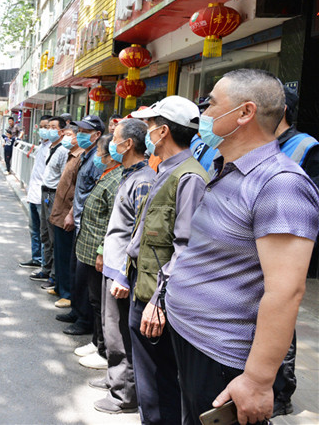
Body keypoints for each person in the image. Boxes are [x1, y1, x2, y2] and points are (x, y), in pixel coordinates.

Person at [166, 70, 319, 425]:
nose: (202, 114)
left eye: (212, 104)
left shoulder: (280, 184)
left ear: (245, 113)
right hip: (191, 337)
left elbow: (285, 292)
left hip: (221, 357)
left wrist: (257, 379)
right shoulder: (228, 169)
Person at [124, 95, 209, 425]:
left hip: (158, 299)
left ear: (161, 132)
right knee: (150, 387)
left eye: (148, 126)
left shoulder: (189, 178)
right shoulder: (166, 170)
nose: (146, 133)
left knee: (160, 388)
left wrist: (159, 299)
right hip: (143, 289)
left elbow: (185, 248)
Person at [92, 118, 154, 414]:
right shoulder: (128, 174)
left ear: (129, 143)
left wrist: (125, 276)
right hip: (114, 266)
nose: (111, 143)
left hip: (123, 272)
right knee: (110, 329)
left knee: (120, 336)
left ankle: (124, 395)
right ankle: (113, 380)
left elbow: (139, 233)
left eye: (115, 138)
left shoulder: (143, 180)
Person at [270, 85, 319, 417]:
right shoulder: (265, 145)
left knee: (281, 318)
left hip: (287, 246)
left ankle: (281, 394)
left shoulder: (307, 147)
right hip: (260, 244)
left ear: (281, 109)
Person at [73, 135, 122, 369]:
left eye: (101, 155)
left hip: (98, 251)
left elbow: (112, 220)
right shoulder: (107, 175)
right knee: (94, 301)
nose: (98, 159)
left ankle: (104, 349)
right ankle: (96, 341)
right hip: (90, 248)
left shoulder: (116, 180)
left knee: (101, 304)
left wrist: (102, 251)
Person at [59, 114, 105, 336]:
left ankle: (84, 320)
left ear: (97, 135)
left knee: (85, 277)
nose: (80, 135)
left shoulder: (97, 159)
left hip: (89, 225)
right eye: (79, 131)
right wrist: (70, 213)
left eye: (85, 132)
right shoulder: (86, 156)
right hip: (78, 221)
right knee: (75, 272)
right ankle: (76, 311)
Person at [47, 125, 82, 308]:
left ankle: (68, 293)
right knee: (59, 252)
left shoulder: (80, 158)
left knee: (67, 255)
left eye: (69, 135)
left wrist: (70, 214)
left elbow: (79, 190)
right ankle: (60, 286)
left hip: (67, 214)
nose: (65, 138)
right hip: (59, 211)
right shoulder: (70, 155)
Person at [34, 116, 67, 285]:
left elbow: (63, 178)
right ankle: (45, 269)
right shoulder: (50, 148)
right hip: (45, 193)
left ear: (62, 131)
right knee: (44, 233)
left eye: (54, 127)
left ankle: (54, 275)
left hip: (53, 195)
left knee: (53, 236)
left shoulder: (63, 151)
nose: (50, 130)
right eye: (49, 127)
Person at [19, 115, 53, 269]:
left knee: (44, 232)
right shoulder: (41, 146)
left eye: (47, 127)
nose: (43, 130)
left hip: (43, 197)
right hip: (33, 194)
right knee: (34, 230)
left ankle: (45, 264)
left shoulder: (53, 149)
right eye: (41, 126)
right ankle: (36, 257)